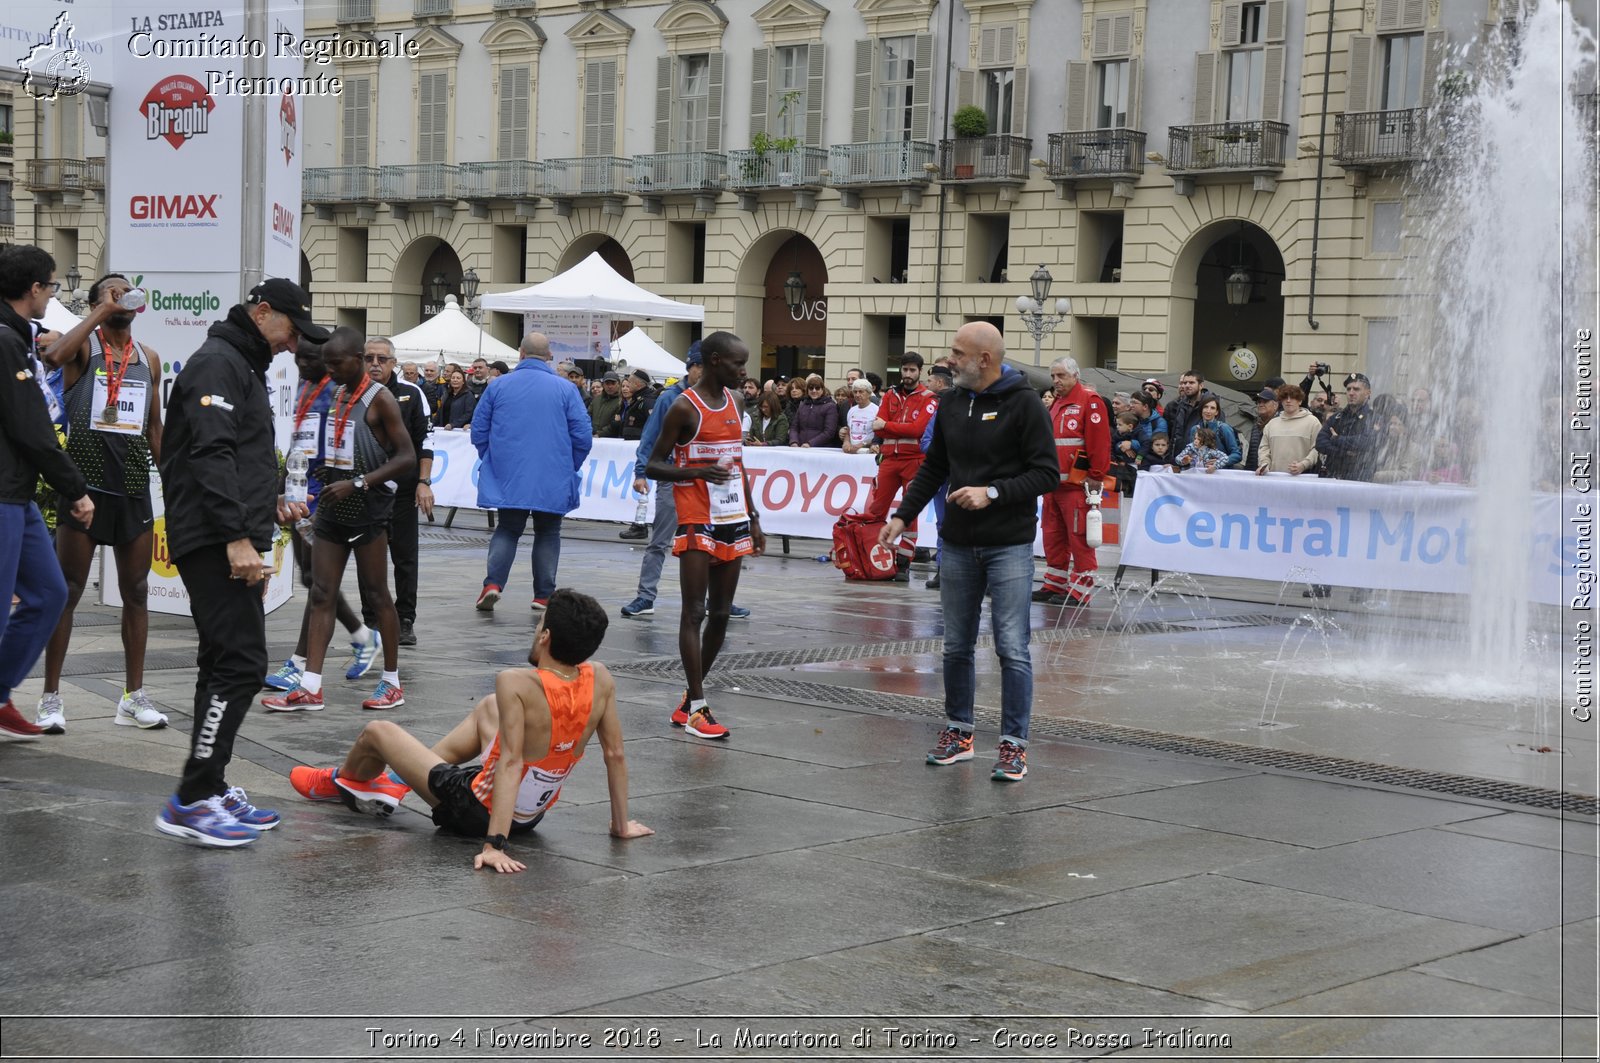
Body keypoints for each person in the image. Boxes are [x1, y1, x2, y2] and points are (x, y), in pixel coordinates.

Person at [289, 588, 652, 868]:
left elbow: (510, 763)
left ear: (546, 637)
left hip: (476, 811)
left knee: (378, 731)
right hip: (528, 817)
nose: (536, 631)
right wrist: (620, 825)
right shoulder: (600, 677)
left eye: (539, 626)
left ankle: (342, 781)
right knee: (488, 709)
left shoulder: (516, 681)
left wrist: (495, 846)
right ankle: (397, 783)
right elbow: (615, 754)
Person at [156, 277, 322, 845]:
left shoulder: (239, 362)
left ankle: (210, 786)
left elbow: (237, 454)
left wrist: (265, 505)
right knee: (243, 664)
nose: (293, 343)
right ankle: (192, 798)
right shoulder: (218, 362)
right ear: (263, 312)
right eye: (291, 330)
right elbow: (210, 452)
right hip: (213, 536)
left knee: (223, 662)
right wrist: (235, 536)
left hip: (229, 530)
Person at [880, 322, 1057, 782]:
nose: (948, 360)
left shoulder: (1025, 404)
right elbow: (935, 465)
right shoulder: (952, 402)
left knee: (1012, 648)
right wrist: (902, 516)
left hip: (1009, 546)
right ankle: (959, 732)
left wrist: (992, 493)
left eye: (957, 353)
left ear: (985, 359)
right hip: (956, 543)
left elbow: (1046, 474)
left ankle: (1014, 745)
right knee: (956, 645)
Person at [33, 272, 168, 732]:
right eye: (112, 291)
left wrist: (173, 483)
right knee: (68, 592)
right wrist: (100, 313)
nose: (122, 296)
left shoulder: (149, 358)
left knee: (136, 592)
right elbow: (52, 355)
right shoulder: (85, 351)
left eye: (126, 290)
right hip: (84, 490)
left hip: (131, 489)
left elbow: (154, 428)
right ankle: (50, 698)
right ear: (96, 303)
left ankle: (133, 697)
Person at [261, 328, 415, 713]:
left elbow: (406, 457)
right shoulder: (337, 396)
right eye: (325, 363)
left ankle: (392, 682)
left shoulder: (380, 400)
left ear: (358, 359)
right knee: (321, 592)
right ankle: (310, 686)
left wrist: (359, 483)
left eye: (335, 363)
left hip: (368, 511)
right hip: (330, 509)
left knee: (377, 595)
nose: (328, 369)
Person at [644, 331, 766, 739]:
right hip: (696, 515)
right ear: (714, 360)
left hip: (732, 515)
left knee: (721, 613)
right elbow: (654, 465)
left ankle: (688, 702)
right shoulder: (684, 406)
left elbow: (739, 465)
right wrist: (696, 471)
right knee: (693, 611)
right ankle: (698, 706)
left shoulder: (737, 401)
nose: (744, 371)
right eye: (737, 364)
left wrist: (754, 516)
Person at [0, 245, 94, 739]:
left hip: (16, 494)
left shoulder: (18, 335)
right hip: (3, 493)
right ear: (34, 289)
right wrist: (74, 489)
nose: (52, 294)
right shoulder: (3, 340)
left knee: (49, 592)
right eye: (52, 286)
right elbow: (29, 426)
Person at [263, 337, 373, 694]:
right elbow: (299, 442)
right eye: (301, 358)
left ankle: (299, 663)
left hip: (324, 495)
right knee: (311, 578)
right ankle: (361, 636)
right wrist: (281, 489)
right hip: (298, 493)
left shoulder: (339, 391)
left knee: (319, 583)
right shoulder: (305, 385)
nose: (305, 364)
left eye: (312, 359)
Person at [621, 345, 752, 623]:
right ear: (691, 367)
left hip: (714, 486)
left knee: (716, 542)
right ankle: (646, 596)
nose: (704, 374)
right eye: (700, 369)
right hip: (676, 478)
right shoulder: (673, 398)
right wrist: (641, 472)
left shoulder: (727, 397)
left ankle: (717, 600)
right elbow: (651, 437)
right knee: (661, 539)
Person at [474, 332, 592, 612]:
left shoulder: (498, 386)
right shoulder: (566, 389)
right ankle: (543, 595)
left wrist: (492, 458)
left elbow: (479, 429)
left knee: (508, 528)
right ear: (549, 356)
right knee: (548, 532)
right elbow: (583, 436)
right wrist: (568, 464)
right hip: (553, 471)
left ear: (521, 353)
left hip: (509, 471)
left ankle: (492, 584)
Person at [359, 337, 434, 647]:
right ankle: (371, 618)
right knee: (367, 558)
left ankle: (405, 619)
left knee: (405, 558)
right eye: (369, 358)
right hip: (364, 491)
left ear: (393, 363)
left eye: (381, 358)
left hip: (402, 491)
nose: (375, 363)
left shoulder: (412, 393)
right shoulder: (352, 393)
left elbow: (426, 441)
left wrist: (423, 482)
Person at [1037, 357, 1112, 606]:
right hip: (1052, 485)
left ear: (1075, 376)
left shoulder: (1089, 402)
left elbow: (1100, 445)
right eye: (1053, 377)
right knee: (1053, 536)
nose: (1056, 381)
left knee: (1080, 539)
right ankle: (1054, 583)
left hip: (1077, 487)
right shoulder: (1057, 403)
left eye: (1061, 376)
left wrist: (1095, 477)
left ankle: (1081, 590)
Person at [861, 352, 938, 576]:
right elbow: (878, 426)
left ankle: (904, 560)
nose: (907, 374)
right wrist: (885, 425)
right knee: (876, 509)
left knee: (909, 510)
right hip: (889, 459)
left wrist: (887, 425)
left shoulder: (929, 398)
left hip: (914, 461)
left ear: (919, 372)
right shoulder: (890, 395)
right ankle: (872, 553)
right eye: (904, 369)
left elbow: (917, 429)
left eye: (912, 370)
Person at [921, 362, 954, 590]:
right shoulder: (939, 416)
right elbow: (925, 442)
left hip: (967, 479)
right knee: (943, 524)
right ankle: (943, 571)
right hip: (944, 478)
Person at [1256, 383, 1321, 475]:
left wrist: (1303, 465)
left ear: (1300, 401)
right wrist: (1264, 464)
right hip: (1274, 478)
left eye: (1293, 398)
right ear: (1281, 401)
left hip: (1302, 478)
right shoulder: (1272, 424)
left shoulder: (1313, 422)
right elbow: (1264, 448)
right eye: (1285, 398)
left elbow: (1317, 449)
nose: (1288, 401)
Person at [1183, 397, 1241, 468]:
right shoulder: (1194, 429)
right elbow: (1192, 453)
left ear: (1217, 412)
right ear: (1201, 410)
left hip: (1220, 474)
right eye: (1205, 407)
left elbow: (1237, 455)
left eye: (1212, 408)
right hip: (1200, 474)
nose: (1208, 411)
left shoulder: (1223, 428)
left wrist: (1220, 462)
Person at [1163, 370, 1210, 453]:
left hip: (1201, 459)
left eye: (1191, 383)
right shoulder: (1181, 405)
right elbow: (1175, 435)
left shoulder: (1211, 406)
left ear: (1201, 385)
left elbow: (1216, 436)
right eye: (1185, 383)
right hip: (1180, 458)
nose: (1187, 386)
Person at [788, 374, 838, 448]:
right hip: (800, 447)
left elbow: (829, 432)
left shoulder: (830, 406)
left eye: (817, 388)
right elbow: (794, 427)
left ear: (822, 390)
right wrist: (794, 442)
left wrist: (810, 444)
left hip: (820, 449)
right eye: (811, 388)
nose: (814, 391)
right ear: (807, 390)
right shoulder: (802, 405)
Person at [1243, 387, 1279, 472]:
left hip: (1273, 474)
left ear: (1275, 405)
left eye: (1265, 401)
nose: (1261, 404)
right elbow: (1251, 455)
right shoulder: (1256, 425)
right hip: (1255, 473)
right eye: (1259, 402)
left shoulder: (1279, 425)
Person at [840, 379, 879, 454]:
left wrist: (861, 445)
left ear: (869, 393)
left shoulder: (876, 410)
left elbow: (879, 435)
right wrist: (846, 442)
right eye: (855, 392)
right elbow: (849, 430)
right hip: (851, 451)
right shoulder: (852, 410)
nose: (857, 395)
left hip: (867, 452)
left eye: (861, 392)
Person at [620, 369, 655, 440]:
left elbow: (653, 425)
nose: (628, 385)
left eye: (629, 382)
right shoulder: (636, 400)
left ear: (637, 384)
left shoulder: (648, 400)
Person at [591, 371, 623, 437]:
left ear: (618, 384)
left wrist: (600, 433)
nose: (610, 386)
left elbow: (615, 424)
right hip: (592, 436)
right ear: (603, 385)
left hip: (609, 440)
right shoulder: (596, 400)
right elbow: (587, 416)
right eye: (607, 383)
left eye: (613, 383)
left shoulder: (621, 402)